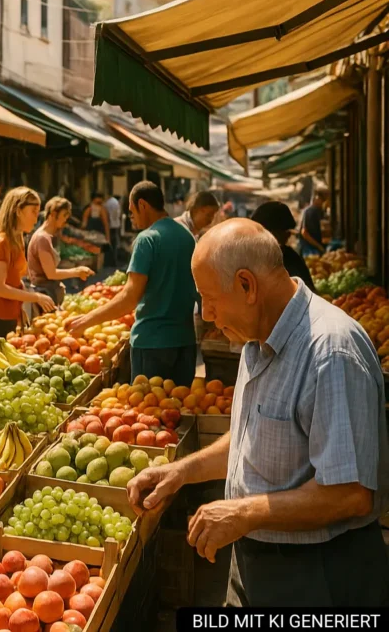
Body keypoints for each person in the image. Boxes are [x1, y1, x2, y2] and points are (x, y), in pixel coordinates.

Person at [127, 219, 389, 606]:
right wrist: (182, 471)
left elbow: (350, 494)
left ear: (247, 285)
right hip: (255, 562)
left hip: (316, 576)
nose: (209, 315)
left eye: (210, 299)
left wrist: (243, 513)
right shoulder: (256, 339)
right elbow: (255, 433)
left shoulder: (330, 353)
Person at [66, 181, 197, 384]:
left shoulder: (147, 239)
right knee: (182, 410)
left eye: (132, 210)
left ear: (143, 205)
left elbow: (130, 298)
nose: (132, 218)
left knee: (149, 411)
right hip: (185, 342)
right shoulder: (187, 237)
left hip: (152, 344)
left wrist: (87, 321)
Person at [0, 187, 55, 352]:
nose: (36, 218)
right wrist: (35, 297)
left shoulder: (16, 239)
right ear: (18, 210)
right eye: (33, 211)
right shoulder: (1, 242)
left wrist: (19, 306)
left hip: (7, 314)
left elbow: (13, 279)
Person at [28, 197, 93, 306]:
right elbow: (51, 273)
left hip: (50, 293)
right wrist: (77, 271)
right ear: (53, 214)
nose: (66, 220)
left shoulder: (50, 236)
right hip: (44, 296)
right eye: (64, 215)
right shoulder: (42, 238)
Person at [251, 201, 316, 292]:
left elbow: (310, 293)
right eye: (285, 232)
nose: (288, 236)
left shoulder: (291, 259)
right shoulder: (249, 261)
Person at [299, 188, 329, 257]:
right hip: (309, 248)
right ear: (317, 198)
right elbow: (304, 233)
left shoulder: (320, 211)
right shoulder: (310, 211)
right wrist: (319, 246)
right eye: (324, 200)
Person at [105, 193, 122, 259]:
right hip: (115, 225)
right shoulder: (116, 202)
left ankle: (110, 258)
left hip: (110, 225)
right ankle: (114, 258)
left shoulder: (108, 202)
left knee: (110, 242)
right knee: (114, 242)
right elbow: (117, 214)